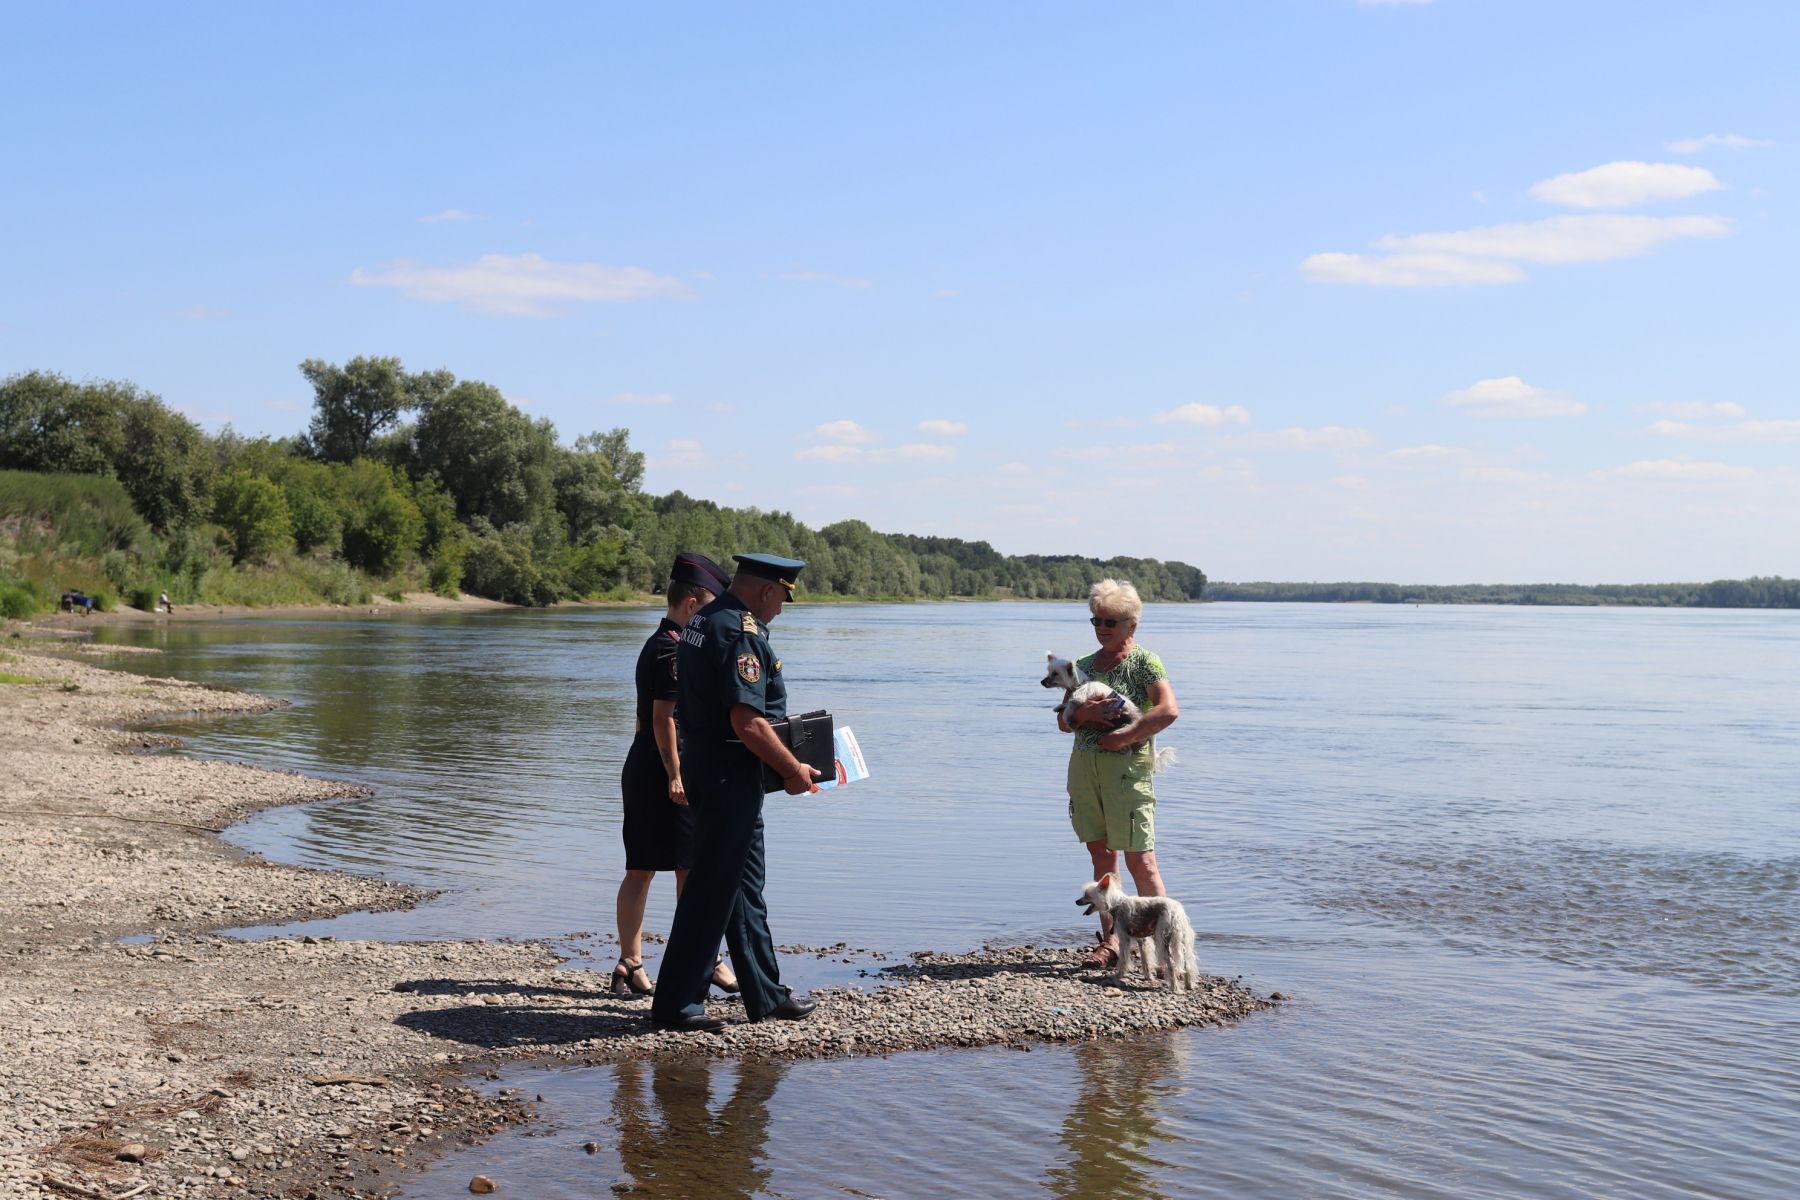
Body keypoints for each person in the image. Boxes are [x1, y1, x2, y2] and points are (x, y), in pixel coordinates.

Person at [650, 552, 823, 1032]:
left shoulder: (704, 618)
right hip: (729, 777)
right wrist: (792, 770)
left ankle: (766, 995)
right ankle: (677, 1005)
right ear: (767, 590)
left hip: (715, 771)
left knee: (744, 889)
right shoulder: (739, 631)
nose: (782, 610)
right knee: (710, 891)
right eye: (783, 598)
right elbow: (747, 721)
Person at [611, 553, 738, 997]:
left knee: (646, 868)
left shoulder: (658, 641)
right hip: (664, 769)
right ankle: (702, 961)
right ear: (690, 604)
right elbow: (663, 717)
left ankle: (632, 963)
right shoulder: (671, 648)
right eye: (707, 608)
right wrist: (676, 775)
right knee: (683, 868)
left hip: (646, 764)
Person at [1058, 578, 1181, 970]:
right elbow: (1064, 722)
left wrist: (1127, 734)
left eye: (1111, 621)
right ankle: (1114, 942)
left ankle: (1166, 950)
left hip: (1128, 770)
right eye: (1096, 620)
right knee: (1101, 857)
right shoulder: (1084, 667)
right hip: (1085, 769)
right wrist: (1085, 715)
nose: (1102, 628)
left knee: (1141, 862)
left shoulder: (1146, 662)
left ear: (1131, 625)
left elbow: (1168, 710)